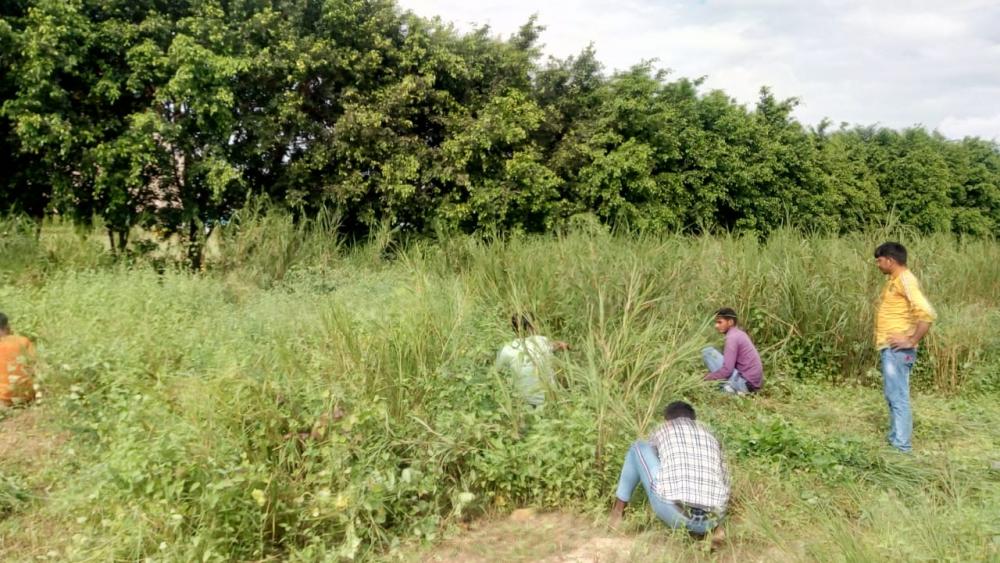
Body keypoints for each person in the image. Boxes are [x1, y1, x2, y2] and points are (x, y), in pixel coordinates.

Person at [610, 401, 729, 540]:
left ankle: (616, 515)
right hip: (713, 519)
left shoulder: (664, 429)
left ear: (667, 421)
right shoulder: (712, 437)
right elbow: (725, 481)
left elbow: (650, 455)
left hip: (675, 514)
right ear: (693, 420)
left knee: (638, 448)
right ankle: (712, 530)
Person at [873, 242, 936, 453]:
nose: (878, 265)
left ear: (890, 260)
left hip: (898, 351)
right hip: (890, 349)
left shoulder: (906, 280)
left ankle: (901, 446)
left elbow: (926, 313)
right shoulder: (895, 281)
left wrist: (910, 339)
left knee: (898, 395)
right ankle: (896, 438)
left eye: (879, 261)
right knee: (893, 394)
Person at [494, 314, 569, 407]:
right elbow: (557, 345)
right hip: (551, 400)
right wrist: (566, 345)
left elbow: (497, 373)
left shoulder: (507, 349)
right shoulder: (542, 341)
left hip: (524, 404)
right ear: (530, 327)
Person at [702, 308, 763, 394]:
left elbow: (727, 370)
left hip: (744, 383)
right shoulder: (739, 334)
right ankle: (730, 388)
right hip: (753, 385)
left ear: (730, 322)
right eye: (716, 323)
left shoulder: (732, 338)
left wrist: (705, 378)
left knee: (707, 352)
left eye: (720, 322)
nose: (716, 326)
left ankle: (730, 389)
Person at [0, 312, 37, 407]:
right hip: (28, 395)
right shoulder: (23, 341)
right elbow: (36, 366)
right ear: (7, 326)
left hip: (3, 399)